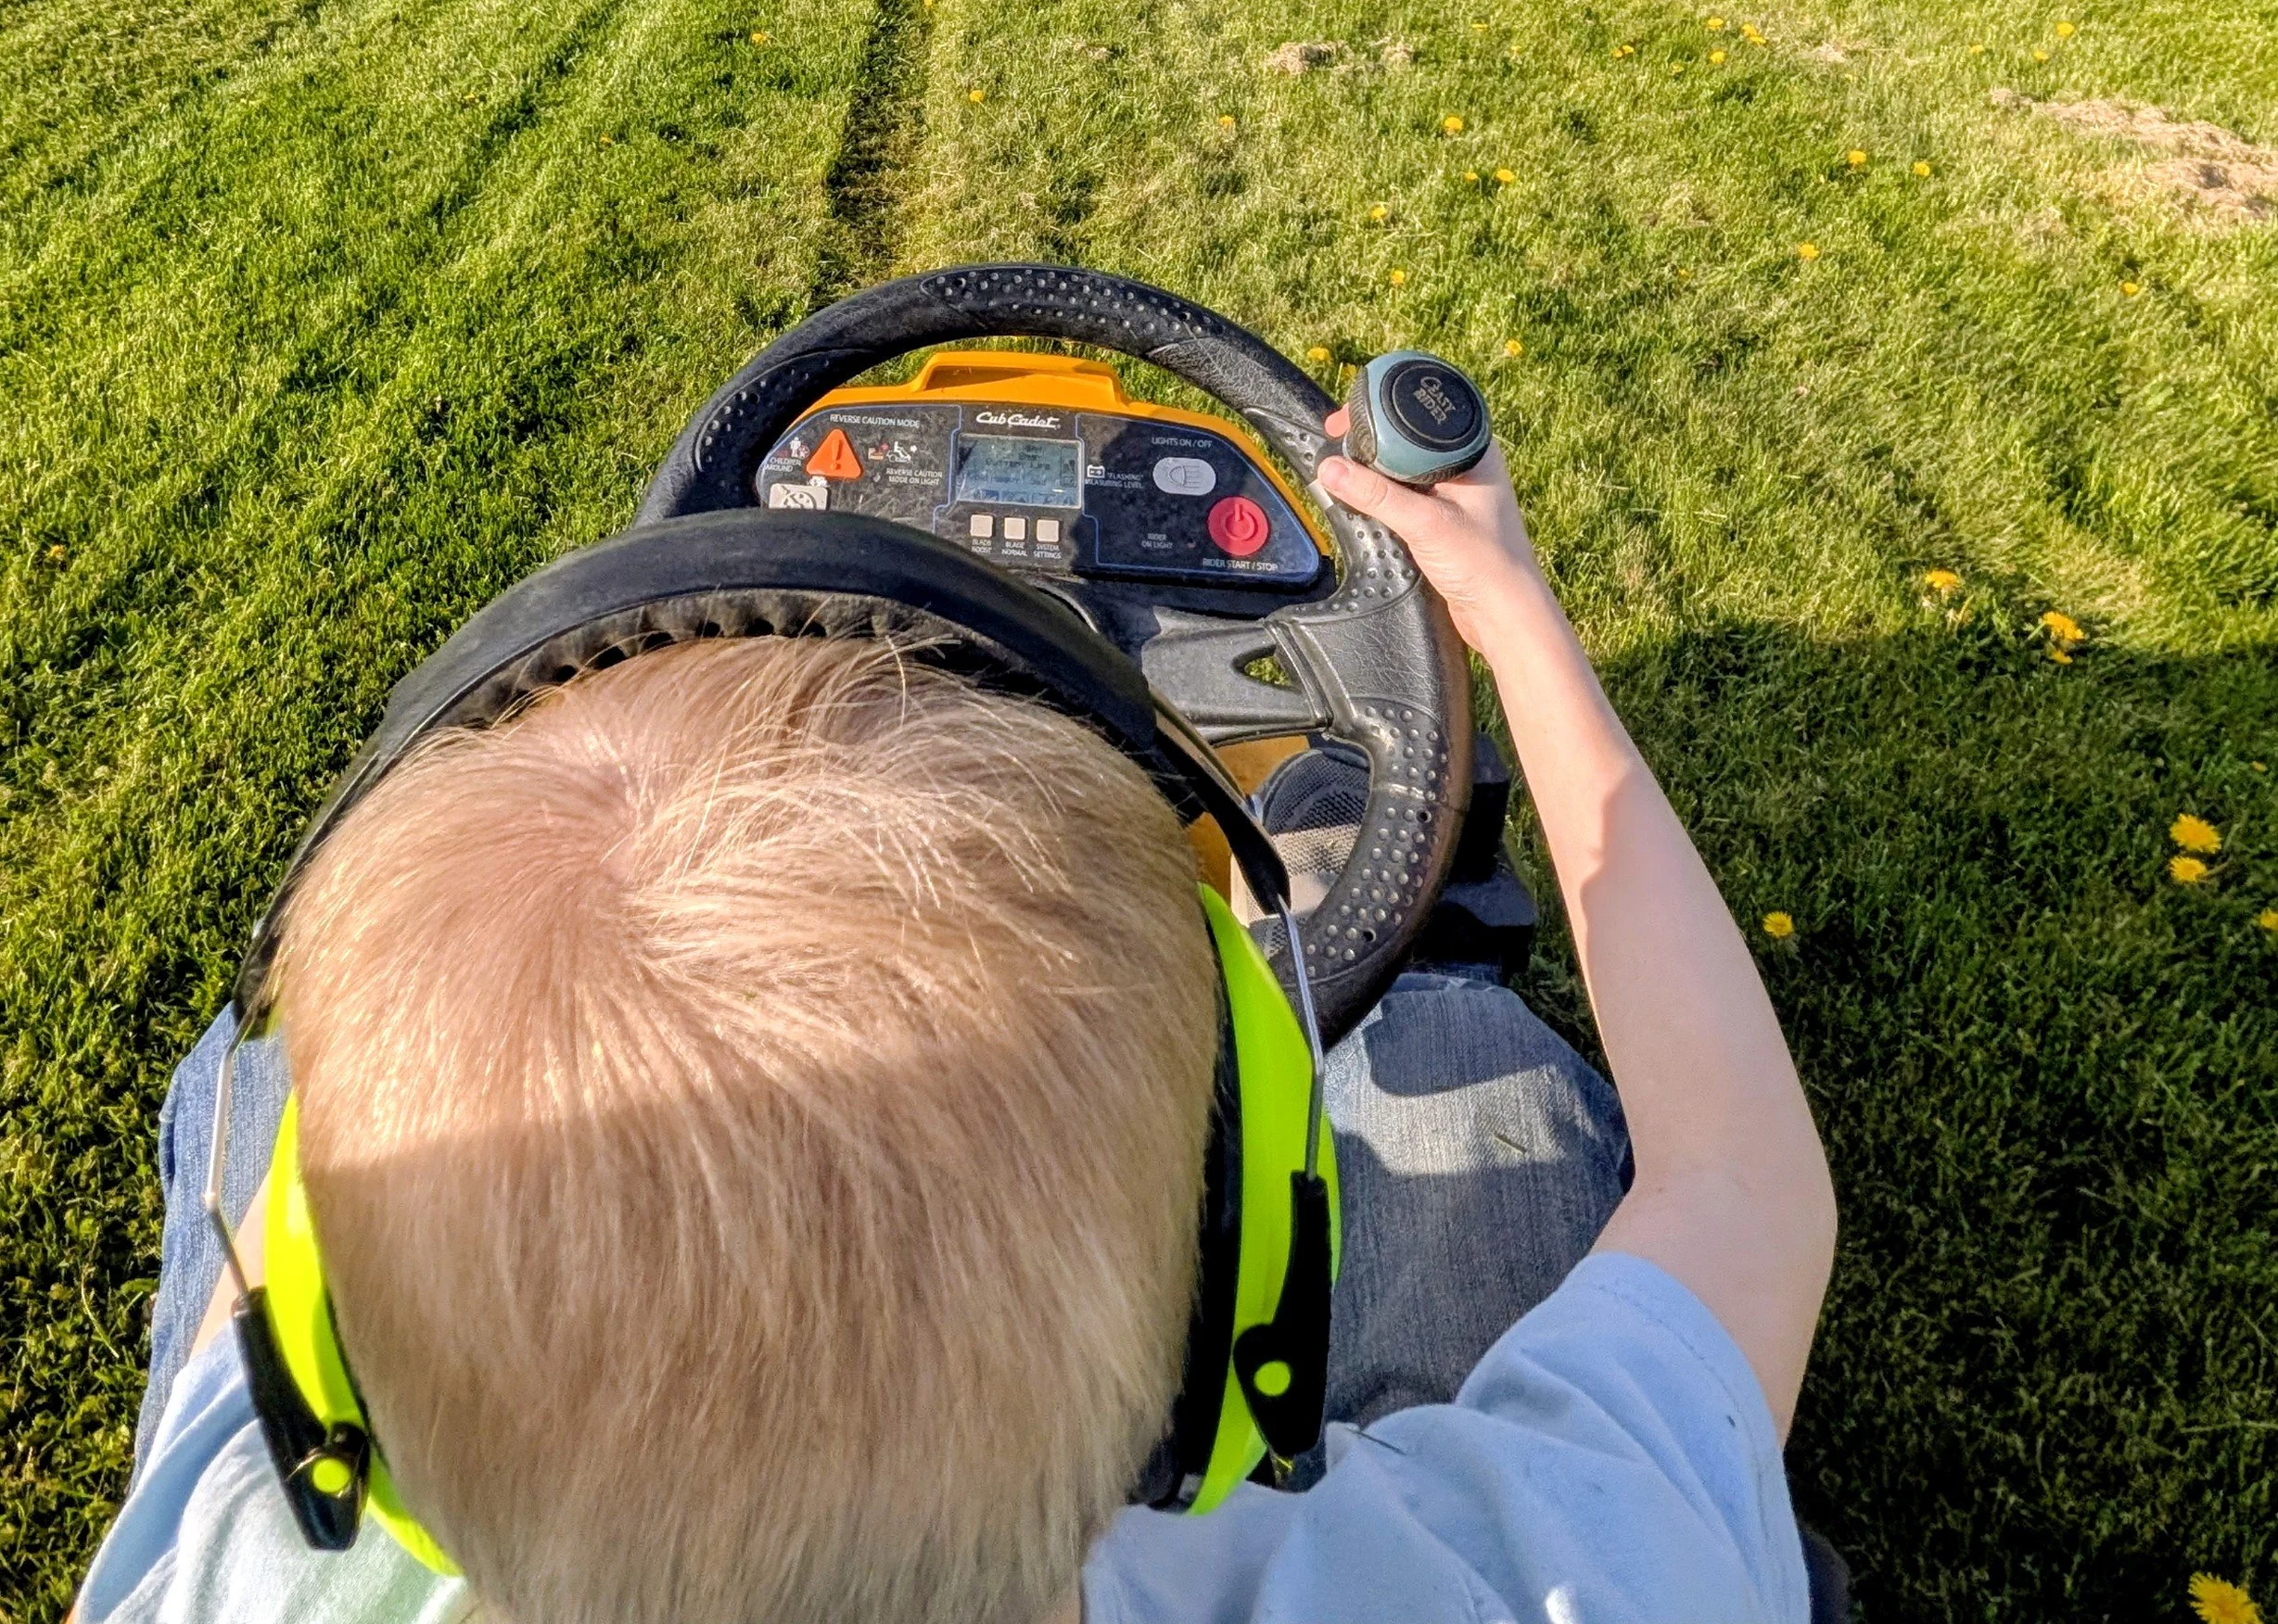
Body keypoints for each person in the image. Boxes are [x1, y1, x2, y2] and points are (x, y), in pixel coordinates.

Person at [79, 426, 1837, 1624]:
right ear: (1234, 1301)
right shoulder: (1524, 1581)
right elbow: (1740, 1185)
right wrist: (1510, 620)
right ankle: (1346, 908)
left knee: (248, 1073)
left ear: (319, 1370)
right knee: (1455, 1054)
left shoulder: (221, 1573)